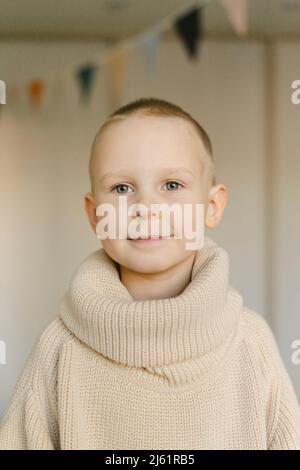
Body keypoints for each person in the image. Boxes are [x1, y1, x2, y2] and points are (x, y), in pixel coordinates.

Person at [1, 97, 299, 450]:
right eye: (122, 189)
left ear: (212, 206)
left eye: (171, 185)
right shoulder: (59, 349)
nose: (147, 208)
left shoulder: (250, 342)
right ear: (95, 215)